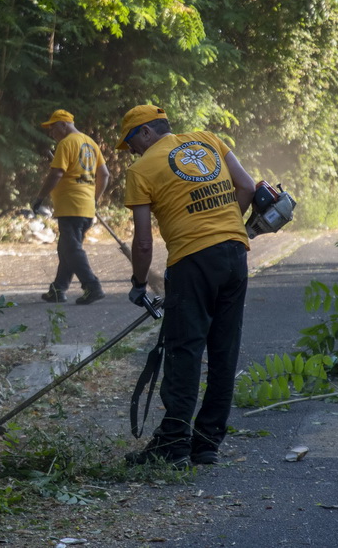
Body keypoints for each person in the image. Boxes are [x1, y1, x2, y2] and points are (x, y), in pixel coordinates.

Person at [119, 104, 256, 469]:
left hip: (191, 262)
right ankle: (207, 442)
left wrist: (138, 283)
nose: (132, 150)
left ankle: (175, 444)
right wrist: (226, 225)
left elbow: (144, 242)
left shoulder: (141, 169)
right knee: (224, 350)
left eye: (132, 141)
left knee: (185, 350)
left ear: (146, 132)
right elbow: (246, 186)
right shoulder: (208, 140)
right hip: (234, 254)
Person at [31, 109, 109, 305]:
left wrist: (40, 197)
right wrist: (94, 199)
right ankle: (58, 290)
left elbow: (56, 173)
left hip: (70, 205)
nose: (51, 133)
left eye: (53, 128)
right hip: (85, 206)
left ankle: (92, 286)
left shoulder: (66, 143)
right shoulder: (90, 143)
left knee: (71, 249)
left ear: (63, 124)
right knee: (66, 249)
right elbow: (104, 174)